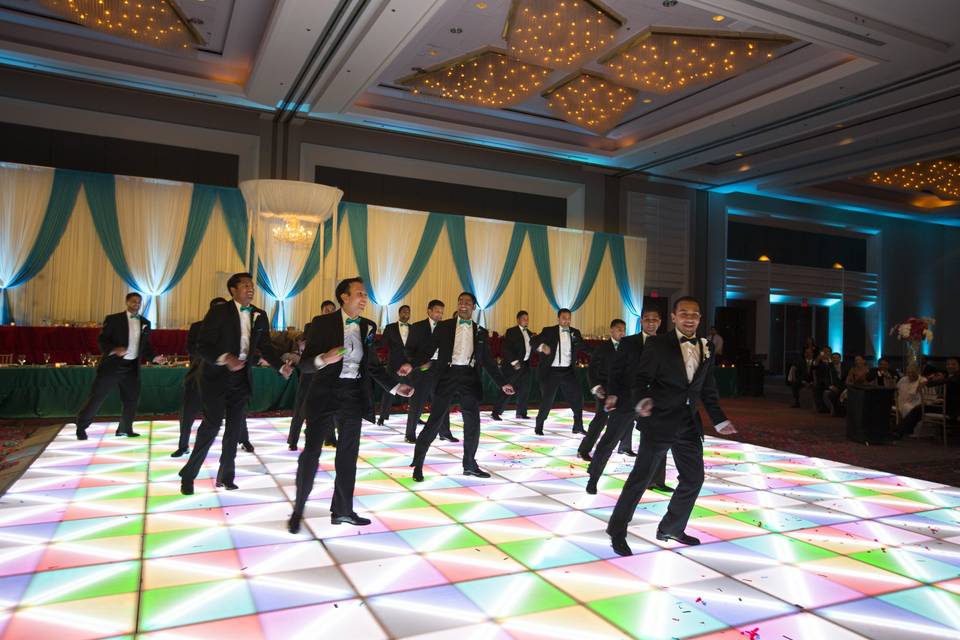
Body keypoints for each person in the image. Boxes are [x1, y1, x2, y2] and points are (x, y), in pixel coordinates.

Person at [606, 296, 736, 556]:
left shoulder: (706, 346)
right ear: (674, 317)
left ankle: (671, 527)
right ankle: (617, 529)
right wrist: (643, 400)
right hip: (659, 421)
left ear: (700, 319)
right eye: (684, 313)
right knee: (640, 479)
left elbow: (707, 388)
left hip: (688, 423)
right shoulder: (657, 344)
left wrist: (719, 419)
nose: (690, 318)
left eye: (695, 314)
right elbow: (641, 379)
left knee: (694, 478)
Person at [288, 278, 413, 533]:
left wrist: (395, 386)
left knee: (347, 457)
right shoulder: (322, 323)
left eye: (365, 294)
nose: (364, 298)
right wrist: (324, 358)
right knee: (312, 454)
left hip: (353, 395)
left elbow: (373, 366)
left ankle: (343, 511)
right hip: (324, 393)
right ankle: (298, 509)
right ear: (344, 297)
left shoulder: (368, 326)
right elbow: (305, 364)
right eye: (359, 293)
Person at [178, 273, 293, 495]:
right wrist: (225, 358)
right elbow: (202, 345)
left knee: (233, 430)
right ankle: (189, 474)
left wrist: (280, 366)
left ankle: (226, 476)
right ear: (233, 290)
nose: (250, 289)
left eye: (252, 286)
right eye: (245, 285)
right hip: (215, 379)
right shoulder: (218, 312)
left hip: (241, 380)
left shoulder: (260, 315)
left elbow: (266, 346)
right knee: (211, 427)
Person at [411, 292, 513, 482]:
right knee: (435, 421)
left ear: (474, 306)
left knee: (473, 423)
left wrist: (503, 383)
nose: (463, 304)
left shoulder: (481, 332)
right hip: (447, 375)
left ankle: (469, 464)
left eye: (467, 302)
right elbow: (427, 350)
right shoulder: (444, 326)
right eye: (460, 301)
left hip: (469, 376)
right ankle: (418, 464)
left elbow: (489, 362)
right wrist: (412, 364)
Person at [74, 292, 166, 440]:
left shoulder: (145, 322)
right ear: (127, 302)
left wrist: (154, 357)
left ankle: (124, 429)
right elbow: (102, 340)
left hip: (132, 367)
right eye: (133, 301)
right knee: (97, 397)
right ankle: (81, 427)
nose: (136, 304)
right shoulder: (113, 319)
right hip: (112, 365)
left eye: (138, 302)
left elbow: (145, 346)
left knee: (131, 399)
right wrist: (114, 349)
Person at [172, 297, 226, 457]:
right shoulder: (197, 326)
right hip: (198, 374)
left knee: (234, 411)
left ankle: (242, 440)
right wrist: (211, 355)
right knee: (187, 412)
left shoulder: (230, 329)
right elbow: (190, 348)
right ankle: (183, 445)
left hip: (221, 376)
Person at [404, 300, 455, 443]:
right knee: (417, 402)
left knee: (442, 401)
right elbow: (409, 350)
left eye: (442, 312)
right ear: (429, 311)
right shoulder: (418, 327)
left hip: (441, 369)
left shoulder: (446, 328)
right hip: (422, 370)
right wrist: (418, 364)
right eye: (437, 311)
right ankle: (410, 433)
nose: (440, 314)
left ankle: (444, 432)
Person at [531, 308, 588, 435]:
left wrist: (599, 354)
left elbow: (584, 347)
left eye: (569, 318)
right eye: (564, 318)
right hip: (551, 371)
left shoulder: (575, 333)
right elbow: (533, 341)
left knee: (578, 398)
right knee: (547, 400)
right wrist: (542, 347)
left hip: (568, 371)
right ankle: (539, 425)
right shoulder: (549, 331)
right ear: (558, 318)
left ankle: (578, 426)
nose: (567, 321)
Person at [578, 319, 628, 460]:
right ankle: (584, 450)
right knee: (600, 420)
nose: (622, 332)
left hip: (622, 389)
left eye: (624, 329)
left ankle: (625, 447)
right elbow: (592, 370)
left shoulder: (627, 347)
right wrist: (596, 387)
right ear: (611, 330)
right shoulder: (602, 348)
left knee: (627, 418)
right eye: (619, 329)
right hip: (604, 389)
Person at [492, 311, 535, 420]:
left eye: (527, 318)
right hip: (513, 366)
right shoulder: (511, 331)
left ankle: (521, 413)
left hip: (525, 365)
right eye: (524, 318)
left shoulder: (529, 333)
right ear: (518, 320)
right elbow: (506, 349)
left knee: (525, 390)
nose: (526, 320)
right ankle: (496, 412)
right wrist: (515, 363)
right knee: (507, 390)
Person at [377, 304, 413, 425]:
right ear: (399, 313)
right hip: (394, 364)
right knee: (389, 389)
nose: (405, 314)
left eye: (408, 312)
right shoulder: (390, 327)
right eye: (403, 312)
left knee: (412, 390)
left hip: (409, 364)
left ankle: (415, 417)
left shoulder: (414, 328)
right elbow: (382, 343)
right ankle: (382, 416)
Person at [893, 364, 926, 439]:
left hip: (917, 402)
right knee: (906, 406)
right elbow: (896, 389)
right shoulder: (903, 379)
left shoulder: (922, 380)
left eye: (913, 372)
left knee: (909, 408)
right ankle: (905, 430)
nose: (910, 374)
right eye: (909, 372)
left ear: (917, 372)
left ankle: (912, 431)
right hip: (902, 401)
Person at [926, 357, 959, 422]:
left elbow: (948, 381)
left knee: (918, 409)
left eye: (953, 364)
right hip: (949, 407)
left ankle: (902, 430)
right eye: (948, 364)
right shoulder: (951, 377)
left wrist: (927, 382)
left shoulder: (956, 377)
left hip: (952, 411)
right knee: (919, 408)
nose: (950, 366)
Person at [823, 352, 846, 416]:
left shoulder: (845, 366)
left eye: (837, 358)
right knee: (831, 395)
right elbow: (826, 379)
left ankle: (843, 411)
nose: (835, 359)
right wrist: (831, 387)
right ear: (832, 359)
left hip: (844, 387)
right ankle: (837, 410)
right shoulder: (829, 368)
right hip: (834, 386)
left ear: (840, 358)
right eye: (834, 358)